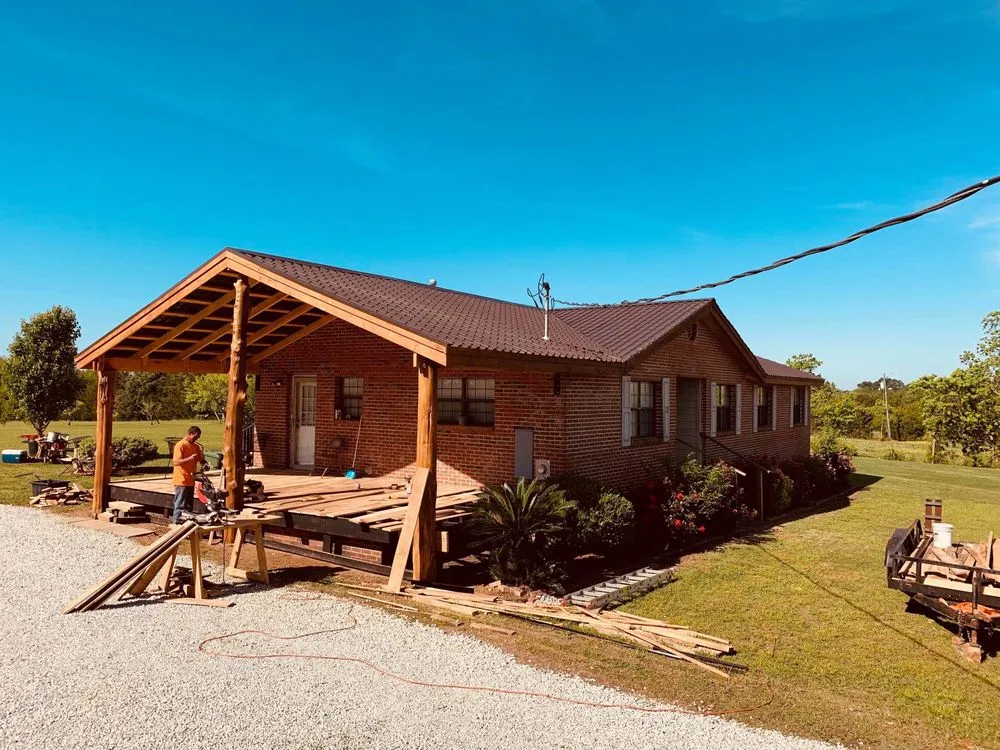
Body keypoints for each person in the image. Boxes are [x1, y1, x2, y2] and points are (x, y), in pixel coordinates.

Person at [171, 426, 206, 524]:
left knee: (189, 505)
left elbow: (200, 459)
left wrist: (205, 463)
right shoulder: (180, 445)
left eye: (198, 437)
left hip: (191, 479)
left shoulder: (196, 447)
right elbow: (176, 462)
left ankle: (187, 524)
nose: (197, 439)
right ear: (190, 434)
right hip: (181, 479)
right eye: (195, 436)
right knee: (180, 504)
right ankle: (176, 522)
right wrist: (190, 459)